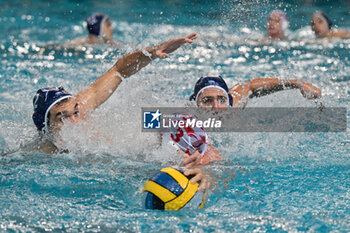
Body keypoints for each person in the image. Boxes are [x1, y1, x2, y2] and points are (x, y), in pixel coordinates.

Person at [32, 33, 198, 153]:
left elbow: (119, 70)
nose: (76, 121)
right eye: (63, 118)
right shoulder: (40, 154)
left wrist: (153, 52)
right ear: (45, 127)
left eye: (75, 112)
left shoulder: (81, 108)